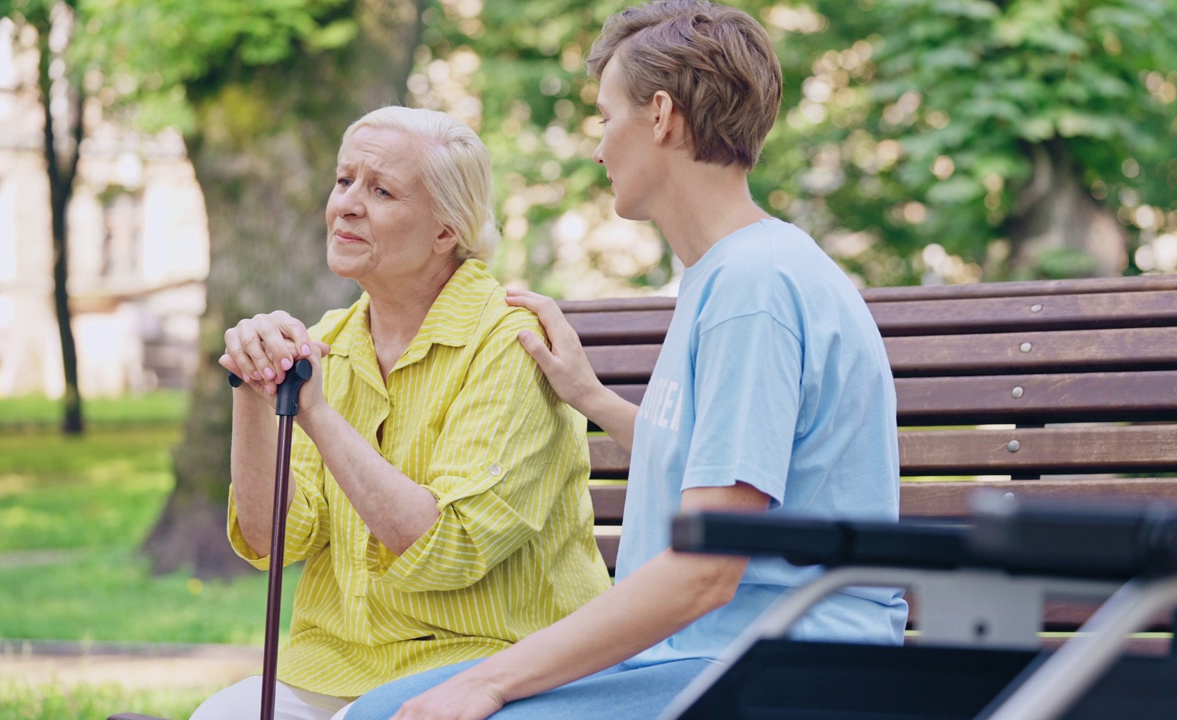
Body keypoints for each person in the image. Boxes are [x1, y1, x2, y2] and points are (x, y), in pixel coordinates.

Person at [343, 2, 907, 719]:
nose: (599, 148)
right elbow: (727, 471)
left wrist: (489, 680)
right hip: (706, 651)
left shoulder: (754, 289)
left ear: (662, 116)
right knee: (379, 709)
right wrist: (592, 398)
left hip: (778, 662)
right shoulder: (730, 273)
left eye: (606, 118)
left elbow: (705, 575)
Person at [192, 106, 612, 720]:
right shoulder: (329, 340)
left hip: (493, 665)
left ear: (446, 230)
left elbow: (448, 545)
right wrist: (253, 393)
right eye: (344, 181)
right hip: (337, 663)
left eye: (381, 189)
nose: (348, 205)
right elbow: (273, 540)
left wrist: (315, 414)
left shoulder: (509, 342)